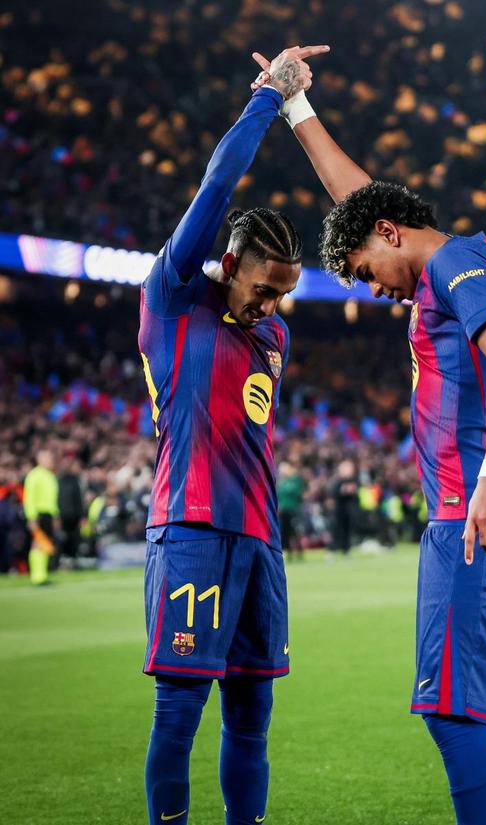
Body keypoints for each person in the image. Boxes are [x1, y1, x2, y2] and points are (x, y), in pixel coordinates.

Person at [252, 60, 486, 825]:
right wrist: (296, 106)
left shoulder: (452, 263)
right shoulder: (443, 259)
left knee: (452, 712)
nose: (373, 289)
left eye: (364, 271)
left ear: (390, 234)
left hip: (475, 514)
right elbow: (357, 199)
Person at [139, 45, 328, 825]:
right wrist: (269, 97)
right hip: (190, 529)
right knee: (179, 713)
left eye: (285, 292)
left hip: (260, 541)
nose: (272, 305)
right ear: (229, 262)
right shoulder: (174, 297)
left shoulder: (273, 337)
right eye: (264, 286)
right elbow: (218, 186)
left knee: (252, 719)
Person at [23, 448, 59, 585]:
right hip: (39, 514)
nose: (50, 460)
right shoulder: (34, 475)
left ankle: (42, 575)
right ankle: (37, 577)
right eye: (47, 457)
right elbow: (29, 498)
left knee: (45, 544)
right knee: (38, 543)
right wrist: (31, 517)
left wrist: (55, 515)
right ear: (39, 459)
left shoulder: (50, 475)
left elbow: (52, 499)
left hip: (48, 514)